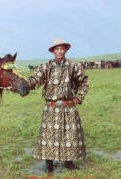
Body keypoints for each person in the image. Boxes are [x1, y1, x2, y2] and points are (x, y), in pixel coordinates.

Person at [28, 38, 89, 173]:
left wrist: (79, 97)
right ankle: (49, 164)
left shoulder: (73, 66)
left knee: (70, 134)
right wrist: (24, 85)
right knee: (48, 136)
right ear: (53, 51)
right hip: (51, 107)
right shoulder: (46, 67)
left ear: (66, 50)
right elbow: (34, 80)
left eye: (62, 48)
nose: (60, 51)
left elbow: (83, 82)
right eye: (57, 49)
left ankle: (69, 162)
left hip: (69, 106)